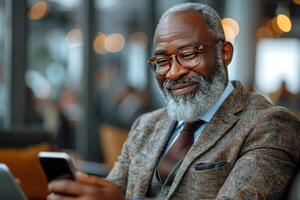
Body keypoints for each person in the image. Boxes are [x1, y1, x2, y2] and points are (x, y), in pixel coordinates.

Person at [47, 3, 300, 200]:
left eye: (188, 55)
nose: (173, 72)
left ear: (224, 54)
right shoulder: (146, 125)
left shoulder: (271, 125)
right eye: (162, 61)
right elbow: (114, 190)